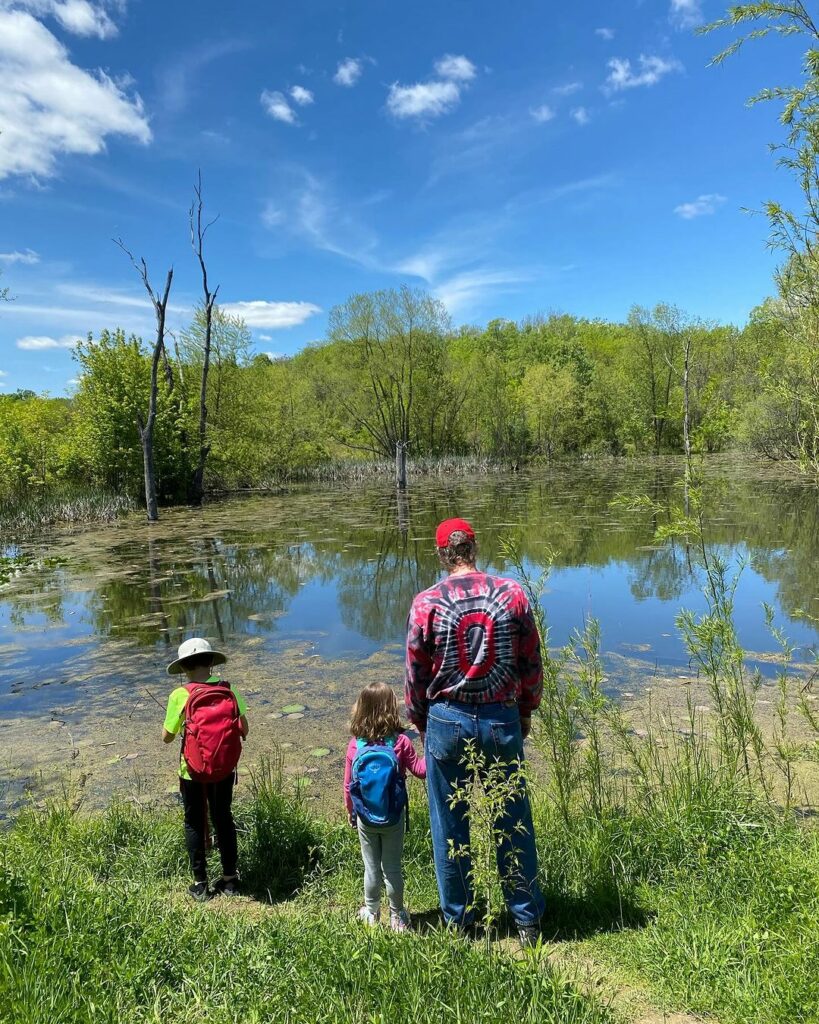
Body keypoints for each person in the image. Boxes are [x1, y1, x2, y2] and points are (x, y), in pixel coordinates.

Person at [404, 517, 545, 944]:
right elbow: (531, 664)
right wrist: (526, 712)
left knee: (450, 824)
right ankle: (526, 921)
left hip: (447, 719)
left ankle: (459, 921)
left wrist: (421, 722)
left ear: (443, 554)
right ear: (475, 547)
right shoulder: (513, 593)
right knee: (513, 819)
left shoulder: (426, 603)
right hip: (502, 718)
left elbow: (415, 673)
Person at [162, 637, 249, 901]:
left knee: (194, 822)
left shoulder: (180, 695)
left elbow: (166, 736)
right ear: (211, 662)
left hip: (192, 771)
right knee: (223, 818)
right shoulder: (230, 691)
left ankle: (200, 884)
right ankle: (230, 880)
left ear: (184, 668)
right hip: (224, 769)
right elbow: (244, 730)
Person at [344, 682, 426, 931]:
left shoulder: (355, 745)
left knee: (371, 867)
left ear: (361, 709)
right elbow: (421, 771)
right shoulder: (400, 743)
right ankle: (398, 916)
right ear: (392, 709)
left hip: (365, 818)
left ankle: (371, 911)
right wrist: (431, 743)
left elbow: (348, 786)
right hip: (393, 817)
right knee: (392, 868)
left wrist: (351, 812)